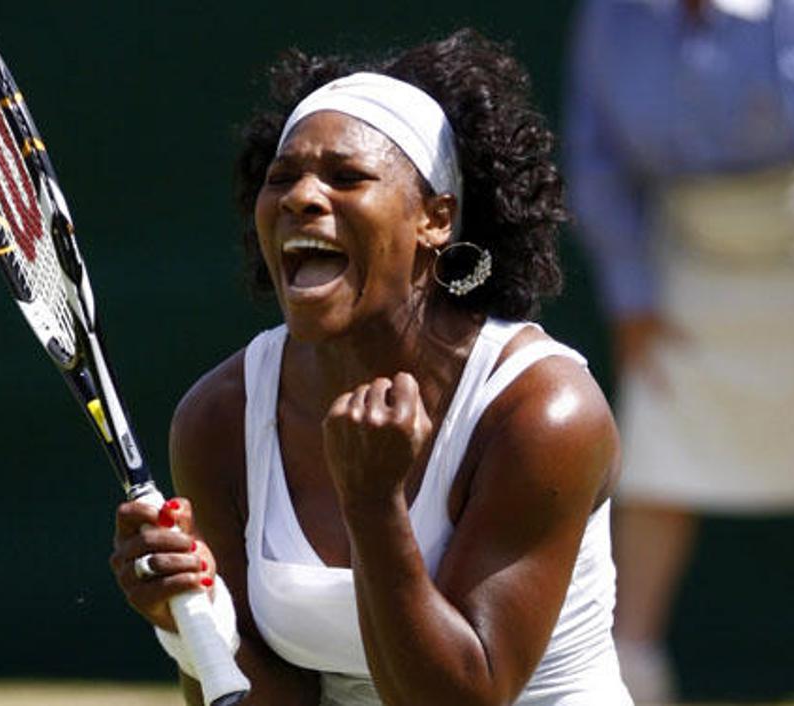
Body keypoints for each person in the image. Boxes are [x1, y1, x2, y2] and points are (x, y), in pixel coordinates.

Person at [110, 28, 633, 706]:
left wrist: (373, 503)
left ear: (435, 219)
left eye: (346, 177)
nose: (301, 197)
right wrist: (189, 623)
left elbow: (465, 699)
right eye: (281, 178)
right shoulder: (219, 415)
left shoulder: (542, 412)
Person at [564, 0, 794, 702]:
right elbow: (597, 159)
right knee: (653, 474)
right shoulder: (612, 17)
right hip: (683, 269)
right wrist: (632, 298)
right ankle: (625, 675)